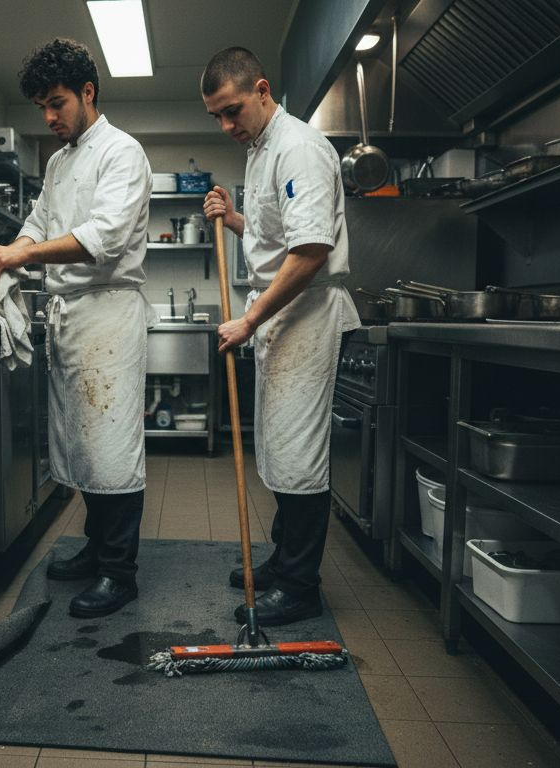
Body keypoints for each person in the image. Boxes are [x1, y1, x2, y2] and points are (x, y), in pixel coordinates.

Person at [0, 38, 153, 619]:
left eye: (57, 103)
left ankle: (120, 572)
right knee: (81, 442)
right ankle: (96, 547)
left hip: (108, 312)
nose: (49, 117)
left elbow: (102, 237)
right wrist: (13, 247)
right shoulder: (58, 163)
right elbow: (36, 221)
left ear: (88, 92)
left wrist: (22, 258)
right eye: (40, 107)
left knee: (111, 446)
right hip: (70, 317)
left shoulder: (122, 153)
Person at [200, 47, 362, 626]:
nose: (225, 126)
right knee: (276, 449)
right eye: (216, 115)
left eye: (232, 110)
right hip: (279, 314)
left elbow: (311, 251)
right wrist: (234, 216)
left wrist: (249, 319)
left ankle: (299, 586)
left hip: (305, 313)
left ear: (263, 89)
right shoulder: (261, 147)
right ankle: (280, 560)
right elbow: (276, 235)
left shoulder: (298, 147)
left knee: (298, 454)